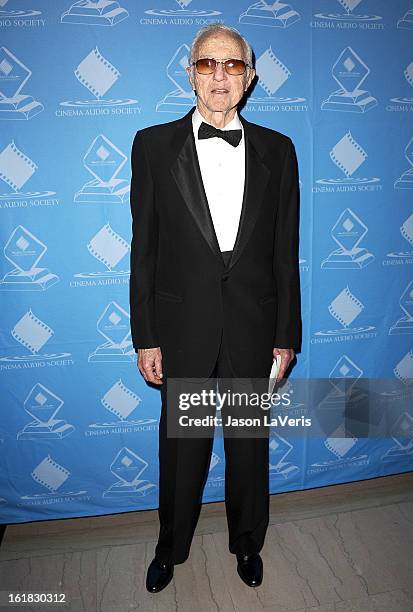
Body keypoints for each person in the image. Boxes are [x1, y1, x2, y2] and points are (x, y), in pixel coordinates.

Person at [129, 23, 302, 593]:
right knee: (183, 455)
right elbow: (144, 251)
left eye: (232, 65)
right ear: (191, 74)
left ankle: (247, 544)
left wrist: (286, 334)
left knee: (249, 452)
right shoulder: (153, 146)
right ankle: (170, 549)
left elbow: (285, 255)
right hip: (185, 330)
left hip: (254, 330)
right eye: (208, 64)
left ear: (250, 78)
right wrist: (146, 334)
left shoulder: (279, 151)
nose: (220, 75)